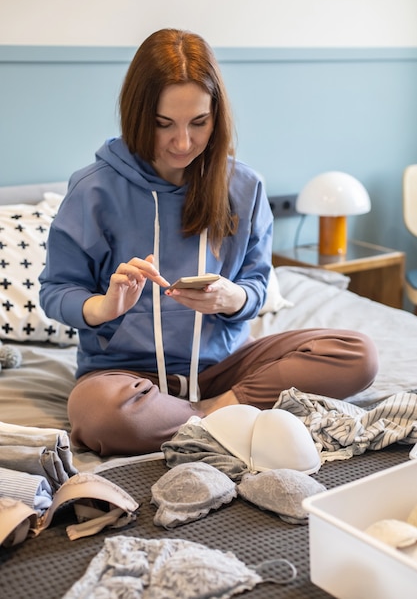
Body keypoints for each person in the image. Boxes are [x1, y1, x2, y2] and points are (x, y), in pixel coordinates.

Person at [39, 28, 378, 457]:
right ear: (138, 115)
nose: (183, 143)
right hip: (123, 377)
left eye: (198, 122)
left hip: (226, 372)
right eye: (164, 125)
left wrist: (232, 298)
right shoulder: (93, 190)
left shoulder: (244, 186)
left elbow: (256, 283)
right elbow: (55, 292)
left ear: (217, 115)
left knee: (357, 354)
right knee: (99, 414)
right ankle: (226, 422)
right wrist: (105, 307)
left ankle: (206, 416)